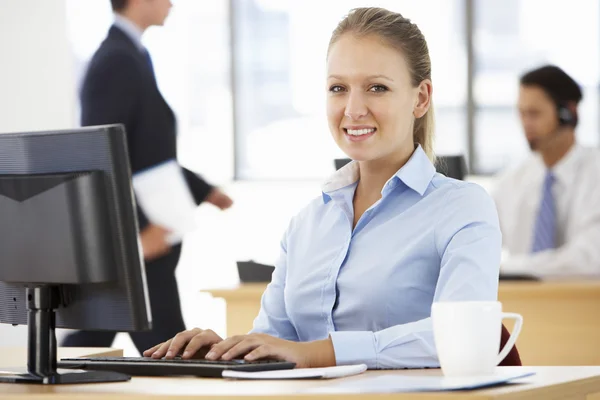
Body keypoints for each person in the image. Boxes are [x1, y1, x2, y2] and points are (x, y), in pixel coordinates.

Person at [144, 7, 501, 369]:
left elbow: (466, 336)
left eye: (377, 88)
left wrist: (319, 353)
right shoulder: (307, 224)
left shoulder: (462, 207)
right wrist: (227, 353)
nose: (353, 109)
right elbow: (275, 342)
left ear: (421, 98)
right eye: (338, 88)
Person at [62, 0, 233, 354]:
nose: (172, 3)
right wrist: (137, 227)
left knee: (92, 339)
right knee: (173, 349)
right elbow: (100, 152)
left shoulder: (132, 54)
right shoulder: (117, 60)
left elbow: (144, 150)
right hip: (142, 240)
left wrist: (203, 189)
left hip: (147, 235)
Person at [493, 65, 600, 278]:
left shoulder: (595, 174)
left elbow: (590, 259)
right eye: (521, 113)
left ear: (567, 114)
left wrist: (511, 268)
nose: (526, 124)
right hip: (525, 305)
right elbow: (480, 238)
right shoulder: (512, 181)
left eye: (534, 113)